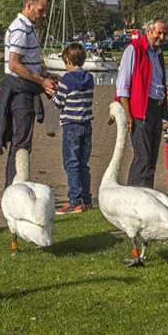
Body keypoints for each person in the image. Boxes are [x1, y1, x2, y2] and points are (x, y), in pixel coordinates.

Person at [0, 0, 59, 188]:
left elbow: (25, 63)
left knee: (23, 143)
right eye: (41, 10)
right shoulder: (20, 28)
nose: (44, 14)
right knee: (21, 144)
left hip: (24, 90)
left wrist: (44, 74)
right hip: (20, 94)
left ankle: (15, 188)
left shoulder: (27, 28)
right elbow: (14, 65)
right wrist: (41, 81)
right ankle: (13, 190)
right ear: (29, 6)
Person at [115, 18, 168, 188]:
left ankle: (147, 194)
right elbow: (123, 85)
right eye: (159, 32)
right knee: (143, 157)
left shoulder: (158, 53)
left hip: (156, 107)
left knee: (152, 158)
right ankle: (133, 196)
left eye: (164, 34)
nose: (161, 37)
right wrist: (128, 115)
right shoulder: (134, 49)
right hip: (140, 110)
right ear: (149, 31)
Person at [51, 43, 94, 214]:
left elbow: (59, 103)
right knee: (83, 164)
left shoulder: (66, 80)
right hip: (86, 125)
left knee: (71, 164)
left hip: (71, 126)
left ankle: (74, 201)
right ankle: (87, 199)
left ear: (67, 61)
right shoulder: (89, 77)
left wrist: (52, 94)